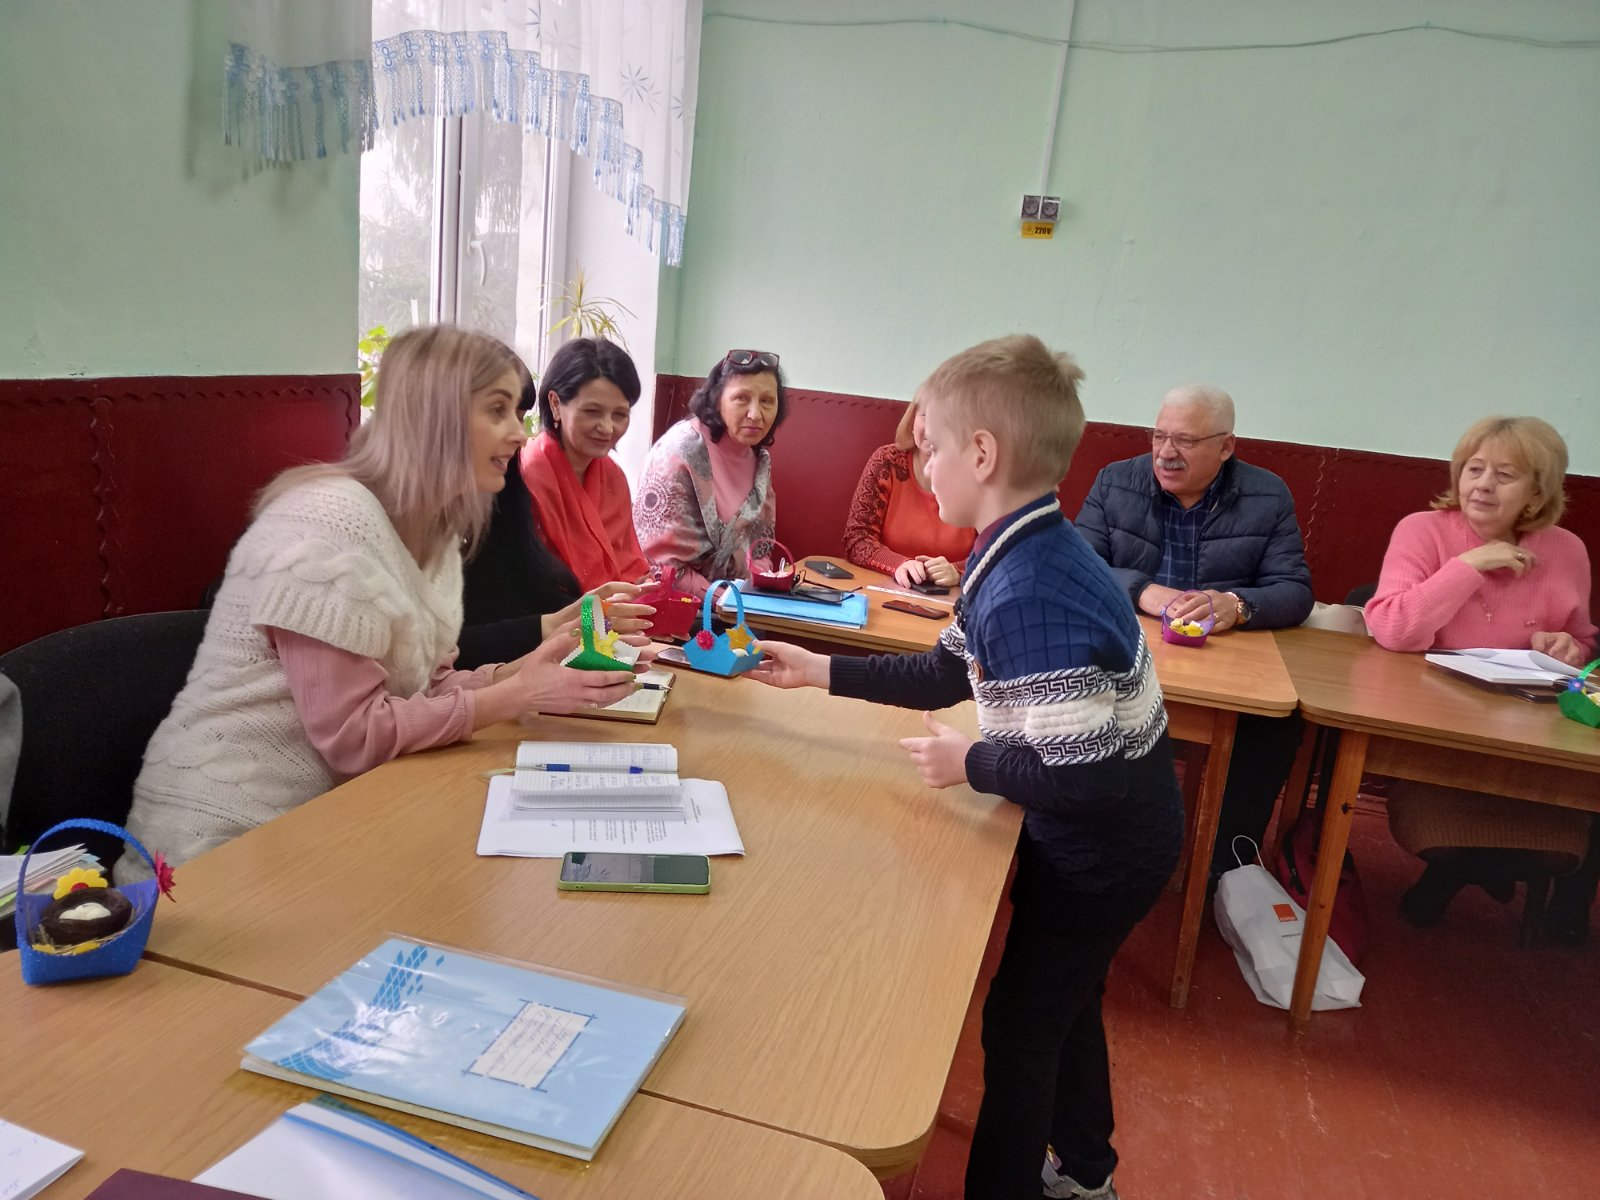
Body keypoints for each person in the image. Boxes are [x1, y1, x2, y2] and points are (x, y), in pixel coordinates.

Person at [752, 335, 1180, 1200]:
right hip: (1107, 832)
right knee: (1065, 1005)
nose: (922, 467)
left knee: (1021, 1029)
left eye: (933, 448)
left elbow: (1086, 778)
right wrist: (819, 669)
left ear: (982, 454)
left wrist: (974, 761)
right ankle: (1088, 1172)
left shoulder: (1032, 589)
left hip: (1105, 851)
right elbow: (946, 670)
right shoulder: (1012, 549)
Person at [117, 327, 640, 880]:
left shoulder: (432, 534)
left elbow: (420, 689)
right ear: (433, 419)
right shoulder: (329, 526)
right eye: (497, 410)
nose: (518, 432)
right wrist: (513, 696)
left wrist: (518, 673)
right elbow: (354, 736)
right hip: (218, 850)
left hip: (333, 818)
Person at [1365, 416, 1597, 938]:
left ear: (1537, 492)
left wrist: (1568, 647)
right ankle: (1459, 871)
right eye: (1474, 469)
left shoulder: (1567, 549)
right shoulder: (1422, 530)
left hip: (1529, 740)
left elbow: (1582, 641)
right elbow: (1393, 630)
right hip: (1436, 732)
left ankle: (1547, 904)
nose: (1483, 485)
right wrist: (1470, 564)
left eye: (1505, 475)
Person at [1076, 384, 1314, 880]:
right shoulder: (1116, 481)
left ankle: (1223, 865)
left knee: (1275, 724)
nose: (1166, 453)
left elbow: (1294, 590)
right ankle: (1092, 845)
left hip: (1221, 662)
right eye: (1158, 436)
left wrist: (1238, 605)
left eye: (1185, 440)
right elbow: (1078, 566)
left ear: (1226, 446)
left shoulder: (1267, 495)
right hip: (1131, 653)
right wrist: (1142, 591)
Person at [459, 370, 653, 672]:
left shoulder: (506, 486)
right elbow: (443, 656)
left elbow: (523, 597)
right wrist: (563, 627)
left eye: (520, 416)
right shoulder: (529, 472)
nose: (520, 434)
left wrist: (576, 623)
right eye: (497, 411)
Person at [633, 350, 786, 595]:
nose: (755, 414)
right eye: (742, 398)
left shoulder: (761, 463)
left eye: (767, 401)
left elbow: (760, 552)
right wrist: (725, 602)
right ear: (716, 400)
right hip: (674, 604)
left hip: (736, 603)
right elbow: (659, 565)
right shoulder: (680, 451)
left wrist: (757, 591)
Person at [519, 337, 650, 592]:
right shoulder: (527, 475)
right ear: (555, 404)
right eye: (592, 412)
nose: (608, 428)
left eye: (620, 415)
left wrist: (639, 593)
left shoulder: (613, 476)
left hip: (608, 612)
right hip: (562, 614)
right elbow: (531, 590)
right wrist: (601, 609)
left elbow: (631, 570)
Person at [841, 393, 976, 588]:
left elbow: (994, 551)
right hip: (884, 589)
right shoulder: (886, 461)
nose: (933, 427)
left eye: (947, 418)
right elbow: (856, 538)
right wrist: (899, 564)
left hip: (952, 598)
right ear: (913, 420)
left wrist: (958, 571)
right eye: (925, 415)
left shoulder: (978, 475)